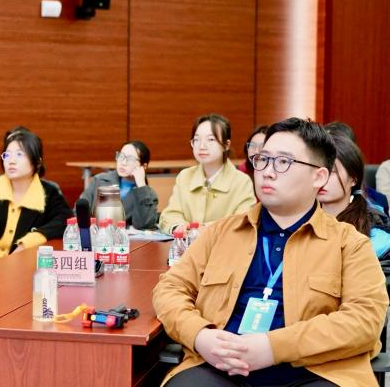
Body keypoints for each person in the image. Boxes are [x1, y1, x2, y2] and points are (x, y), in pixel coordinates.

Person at [153, 117, 388, 387]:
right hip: (220, 368)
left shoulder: (350, 244)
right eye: (262, 159)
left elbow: (364, 320)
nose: (267, 171)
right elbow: (169, 289)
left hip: (315, 372)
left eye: (283, 162)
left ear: (319, 177)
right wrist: (200, 335)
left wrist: (273, 347)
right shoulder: (221, 233)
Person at [0, 127, 73, 258]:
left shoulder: (49, 193)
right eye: (7, 155)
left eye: (19, 154)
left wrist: (30, 241)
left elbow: (66, 220)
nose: (11, 161)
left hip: (24, 263)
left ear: (37, 162)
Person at [158, 113, 256, 234]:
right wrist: (178, 226)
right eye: (196, 140)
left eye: (211, 139)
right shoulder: (185, 176)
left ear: (226, 145)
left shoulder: (242, 182)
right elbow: (170, 214)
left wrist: (204, 228)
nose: (202, 146)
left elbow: (242, 221)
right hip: (187, 244)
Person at [317, 132, 390, 258]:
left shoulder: (376, 238)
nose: (322, 179)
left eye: (332, 171)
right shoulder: (298, 221)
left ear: (353, 179)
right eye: (317, 170)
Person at [78, 140, 158, 229]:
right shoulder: (99, 180)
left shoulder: (148, 195)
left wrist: (141, 185)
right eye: (121, 156)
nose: (123, 163)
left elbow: (144, 224)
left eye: (130, 159)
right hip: (95, 234)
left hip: (123, 237)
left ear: (143, 166)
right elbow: (79, 211)